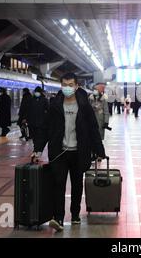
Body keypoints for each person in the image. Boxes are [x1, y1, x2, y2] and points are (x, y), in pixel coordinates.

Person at [32, 73, 106, 232]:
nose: (67, 87)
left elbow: (93, 128)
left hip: (79, 152)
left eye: (70, 84)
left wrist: (99, 150)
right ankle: (58, 217)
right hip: (59, 151)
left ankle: (75, 214)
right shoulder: (55, 104)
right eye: (64, 84)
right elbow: (45, 128)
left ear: (76, 86)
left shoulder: (84, 105)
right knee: (58, 184)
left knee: (77, 185)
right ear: (61, 85)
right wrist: (38, 149)